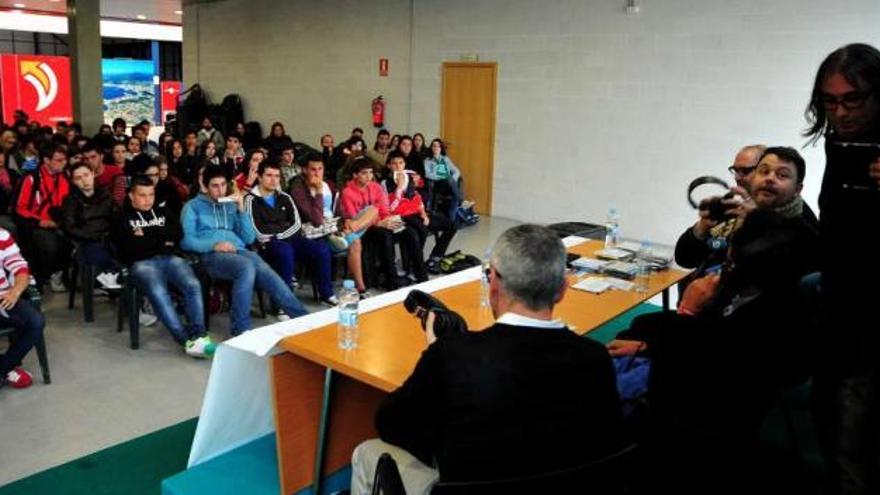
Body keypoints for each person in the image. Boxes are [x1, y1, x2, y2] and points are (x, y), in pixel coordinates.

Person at [350, 224, 623, 494]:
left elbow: (390, 424)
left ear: (492, 283)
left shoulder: (452, 356)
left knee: (367, 452)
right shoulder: (595, 358)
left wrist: (434, 356)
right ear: (563, 289)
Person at [804, 43, 880, 495]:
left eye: (853, 99)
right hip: (840, 299)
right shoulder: (839, 141)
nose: (841, 112)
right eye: (831, 101)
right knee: (828, 412)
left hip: (875, 313)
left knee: (859, 428)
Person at [181, 166, 308, 334]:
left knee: (263, 269)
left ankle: (302, 317)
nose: (220, 190)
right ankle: (240, 329)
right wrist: (213, 245)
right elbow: (186, 241)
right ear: (205, 187)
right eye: (214, 186)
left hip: (238, 251)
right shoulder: (192, 207)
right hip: (210, 255)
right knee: (246, 266)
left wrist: (241, 209)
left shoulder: (230, 205)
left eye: (223, 185)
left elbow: (248, 238)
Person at [674, 146, 818, 279]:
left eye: (745, 171)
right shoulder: (734, 207)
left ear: (797, 189)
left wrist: (755, 222)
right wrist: (702, 227)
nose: (737, 177)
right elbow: (684, 258)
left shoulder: (802, 224)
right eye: (764, 171)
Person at [112, 176, 216, 358]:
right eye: (142, 195)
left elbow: (177, 234)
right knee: (159, 291)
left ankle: (200, 335)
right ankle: (185, 340)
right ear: (131, 196)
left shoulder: (162, 212)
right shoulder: (121, 217)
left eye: (151, 194)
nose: (148, 199)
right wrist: (161, 239)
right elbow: (129, 248)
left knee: (192, 284)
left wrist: (146, 236)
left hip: (169, 259)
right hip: (141, 264)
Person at [244, 161, 338, 306]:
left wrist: (279, 234)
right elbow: (257, 231)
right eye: (269, 175)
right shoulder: (251, 200)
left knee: (322, 249)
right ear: (259, 177)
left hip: (288, 238)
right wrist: (280, 233)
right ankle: (282, 304)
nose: (273, 179)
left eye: (276, 176)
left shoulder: (284, 197)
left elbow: (296, 224)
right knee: (285, 252)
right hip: (266, 245)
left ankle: (327, 294)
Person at [291, 153, 377, 296]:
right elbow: (316, 220)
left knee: (372, 210)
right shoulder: (298, 189)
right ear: (305, 170)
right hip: (319, 233)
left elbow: (339, 209)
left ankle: (347, 231)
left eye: (320, 169)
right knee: (355, 241)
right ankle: (361, 288)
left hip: (336, 226)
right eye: (313, 169)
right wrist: (318, 192)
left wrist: (346, 221)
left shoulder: (328, 185)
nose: (317, 173)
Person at [14, 142, 71, 292]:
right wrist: (40, 221)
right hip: (37, 224)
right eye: (59, 160)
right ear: (46, 160)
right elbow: (20, 208)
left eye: (64, 160)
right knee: (50, 246)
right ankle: (48, 275)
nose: (63, 163)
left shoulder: (64, 176)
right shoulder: (32, 179)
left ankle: (60, 274)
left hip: (60, 222)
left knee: (73, 242)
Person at [340, 157, 403, 291]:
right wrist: (378, 222)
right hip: (360, 228)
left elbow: (385, 210)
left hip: (377, 223)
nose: (369, 176)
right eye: (364, 173)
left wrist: (384, 221)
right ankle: (391, 280)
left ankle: (395, 276)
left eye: (370, 172)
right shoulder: (347, 192)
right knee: (385, 234)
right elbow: (354, 218)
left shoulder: (376, 187)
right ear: (355, 175)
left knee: (407, 231)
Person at [59, 162, 121, 290]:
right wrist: (91, 236)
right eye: (78, 178)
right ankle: (113, 275)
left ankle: (118, 278)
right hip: (86, 240)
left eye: (86, 175)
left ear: (93, 174)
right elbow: (70, 227)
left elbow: (117, 217)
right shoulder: (70, 200)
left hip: (109, 237)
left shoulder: (106, 195)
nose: (84, 180)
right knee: (97, 251)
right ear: (74, 182)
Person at [0, 228, 45, 389]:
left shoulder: (2, 235)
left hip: (3, 297)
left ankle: (4, 368)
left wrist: (15, 291)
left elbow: (20, 267)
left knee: (35, 321)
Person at [423, 138, 463, 225]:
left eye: (438, 146)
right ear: (431, 148)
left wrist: (453, 179)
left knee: (453, 181)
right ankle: (459, 197)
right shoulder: (428, 160)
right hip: (437, 184)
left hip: (449, 183)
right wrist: (441, 177)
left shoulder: (446, 159)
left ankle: (451, 219)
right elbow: (428, 174)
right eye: (434, 146)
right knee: (456, 193)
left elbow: (457, 171)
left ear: (441, 148)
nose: (436, 147)